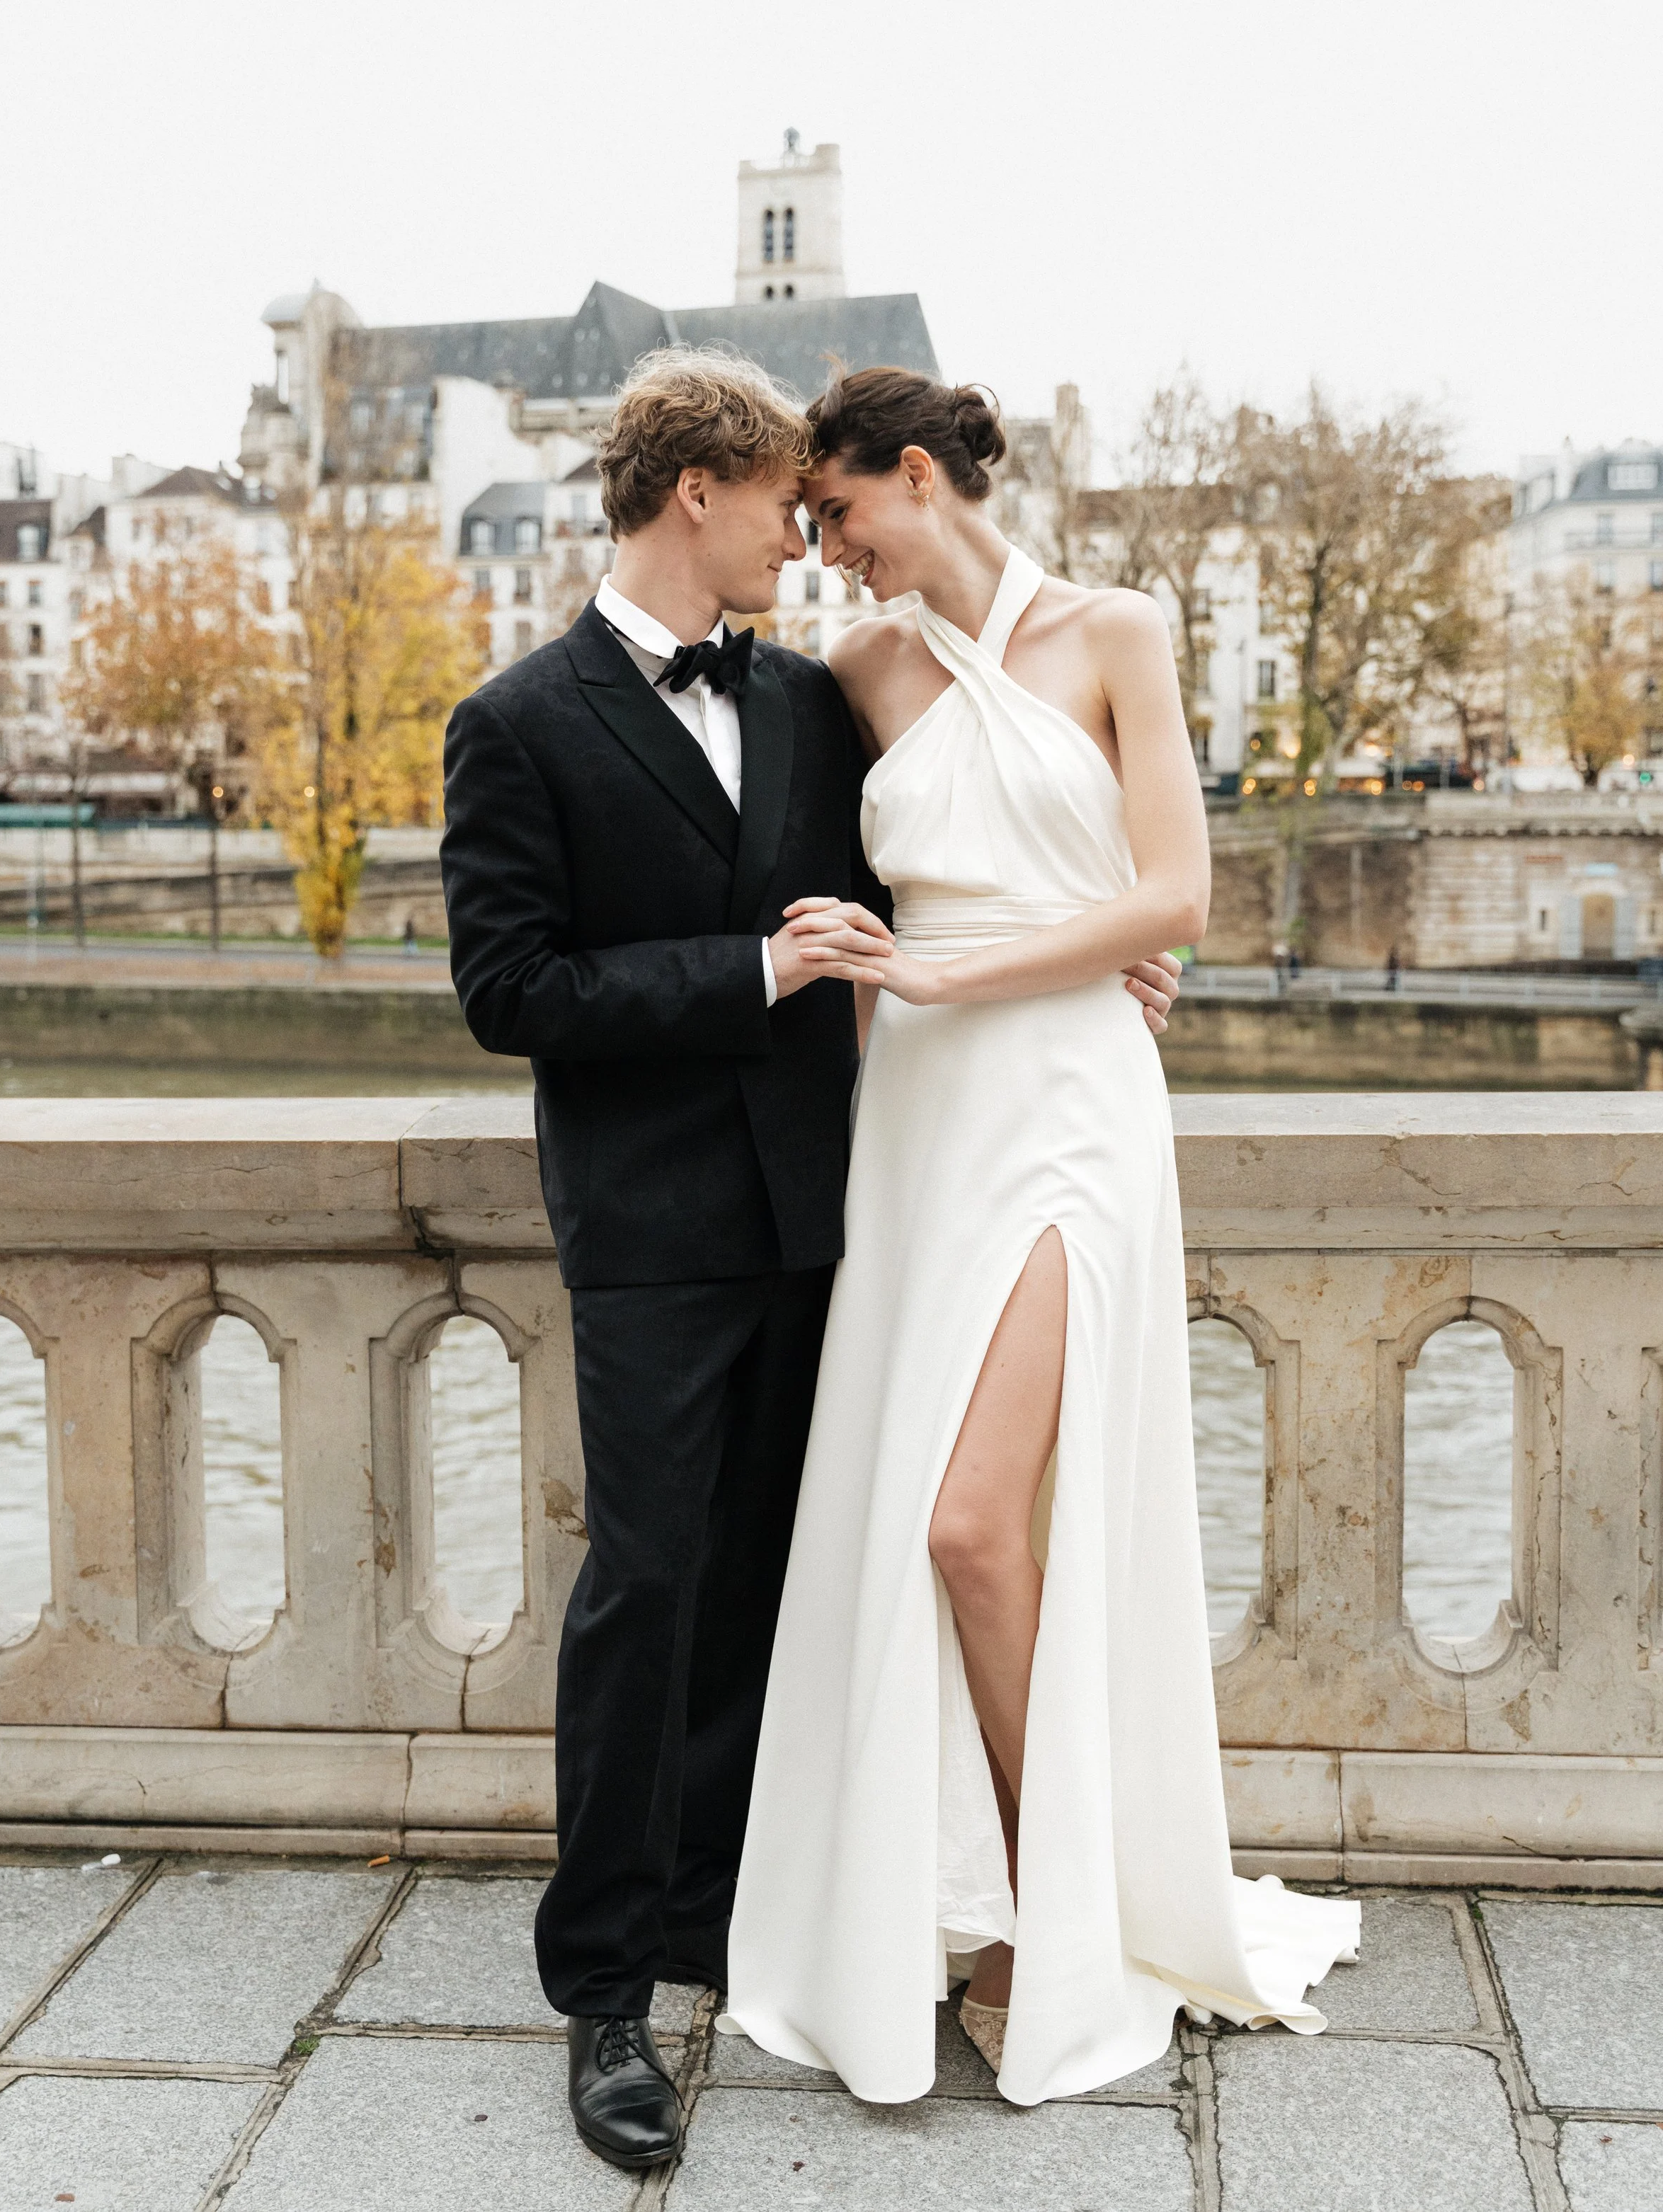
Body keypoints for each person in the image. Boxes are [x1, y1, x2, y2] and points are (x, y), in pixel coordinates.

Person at [438, 350, 1182, 2171]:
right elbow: (507, 991)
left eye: (826, 502)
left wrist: (1114, 955)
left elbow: (1001, 845)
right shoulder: (517, 719)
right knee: (647, 1587)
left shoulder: (813, 693)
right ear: (700, 491)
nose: (810, 536)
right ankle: (607, 1988)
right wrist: (760, 974)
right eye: (790, 504)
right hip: (659, 1233)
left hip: (843, 1207)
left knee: (790, 1583)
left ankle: (738, 1911)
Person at [723, 369, 1360, 2107]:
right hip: (918, 1122)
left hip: (1072, 1109)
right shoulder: (849, 673)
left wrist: (979, 959)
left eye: (838, 514)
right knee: (922, 1514)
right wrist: (874, 950)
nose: (824, 551)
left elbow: (1171, 897)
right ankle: (979, 1887)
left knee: (971, 1521)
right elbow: (781, 873)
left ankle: (1041, 1909)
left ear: (913, 476)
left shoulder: (1113, 633)